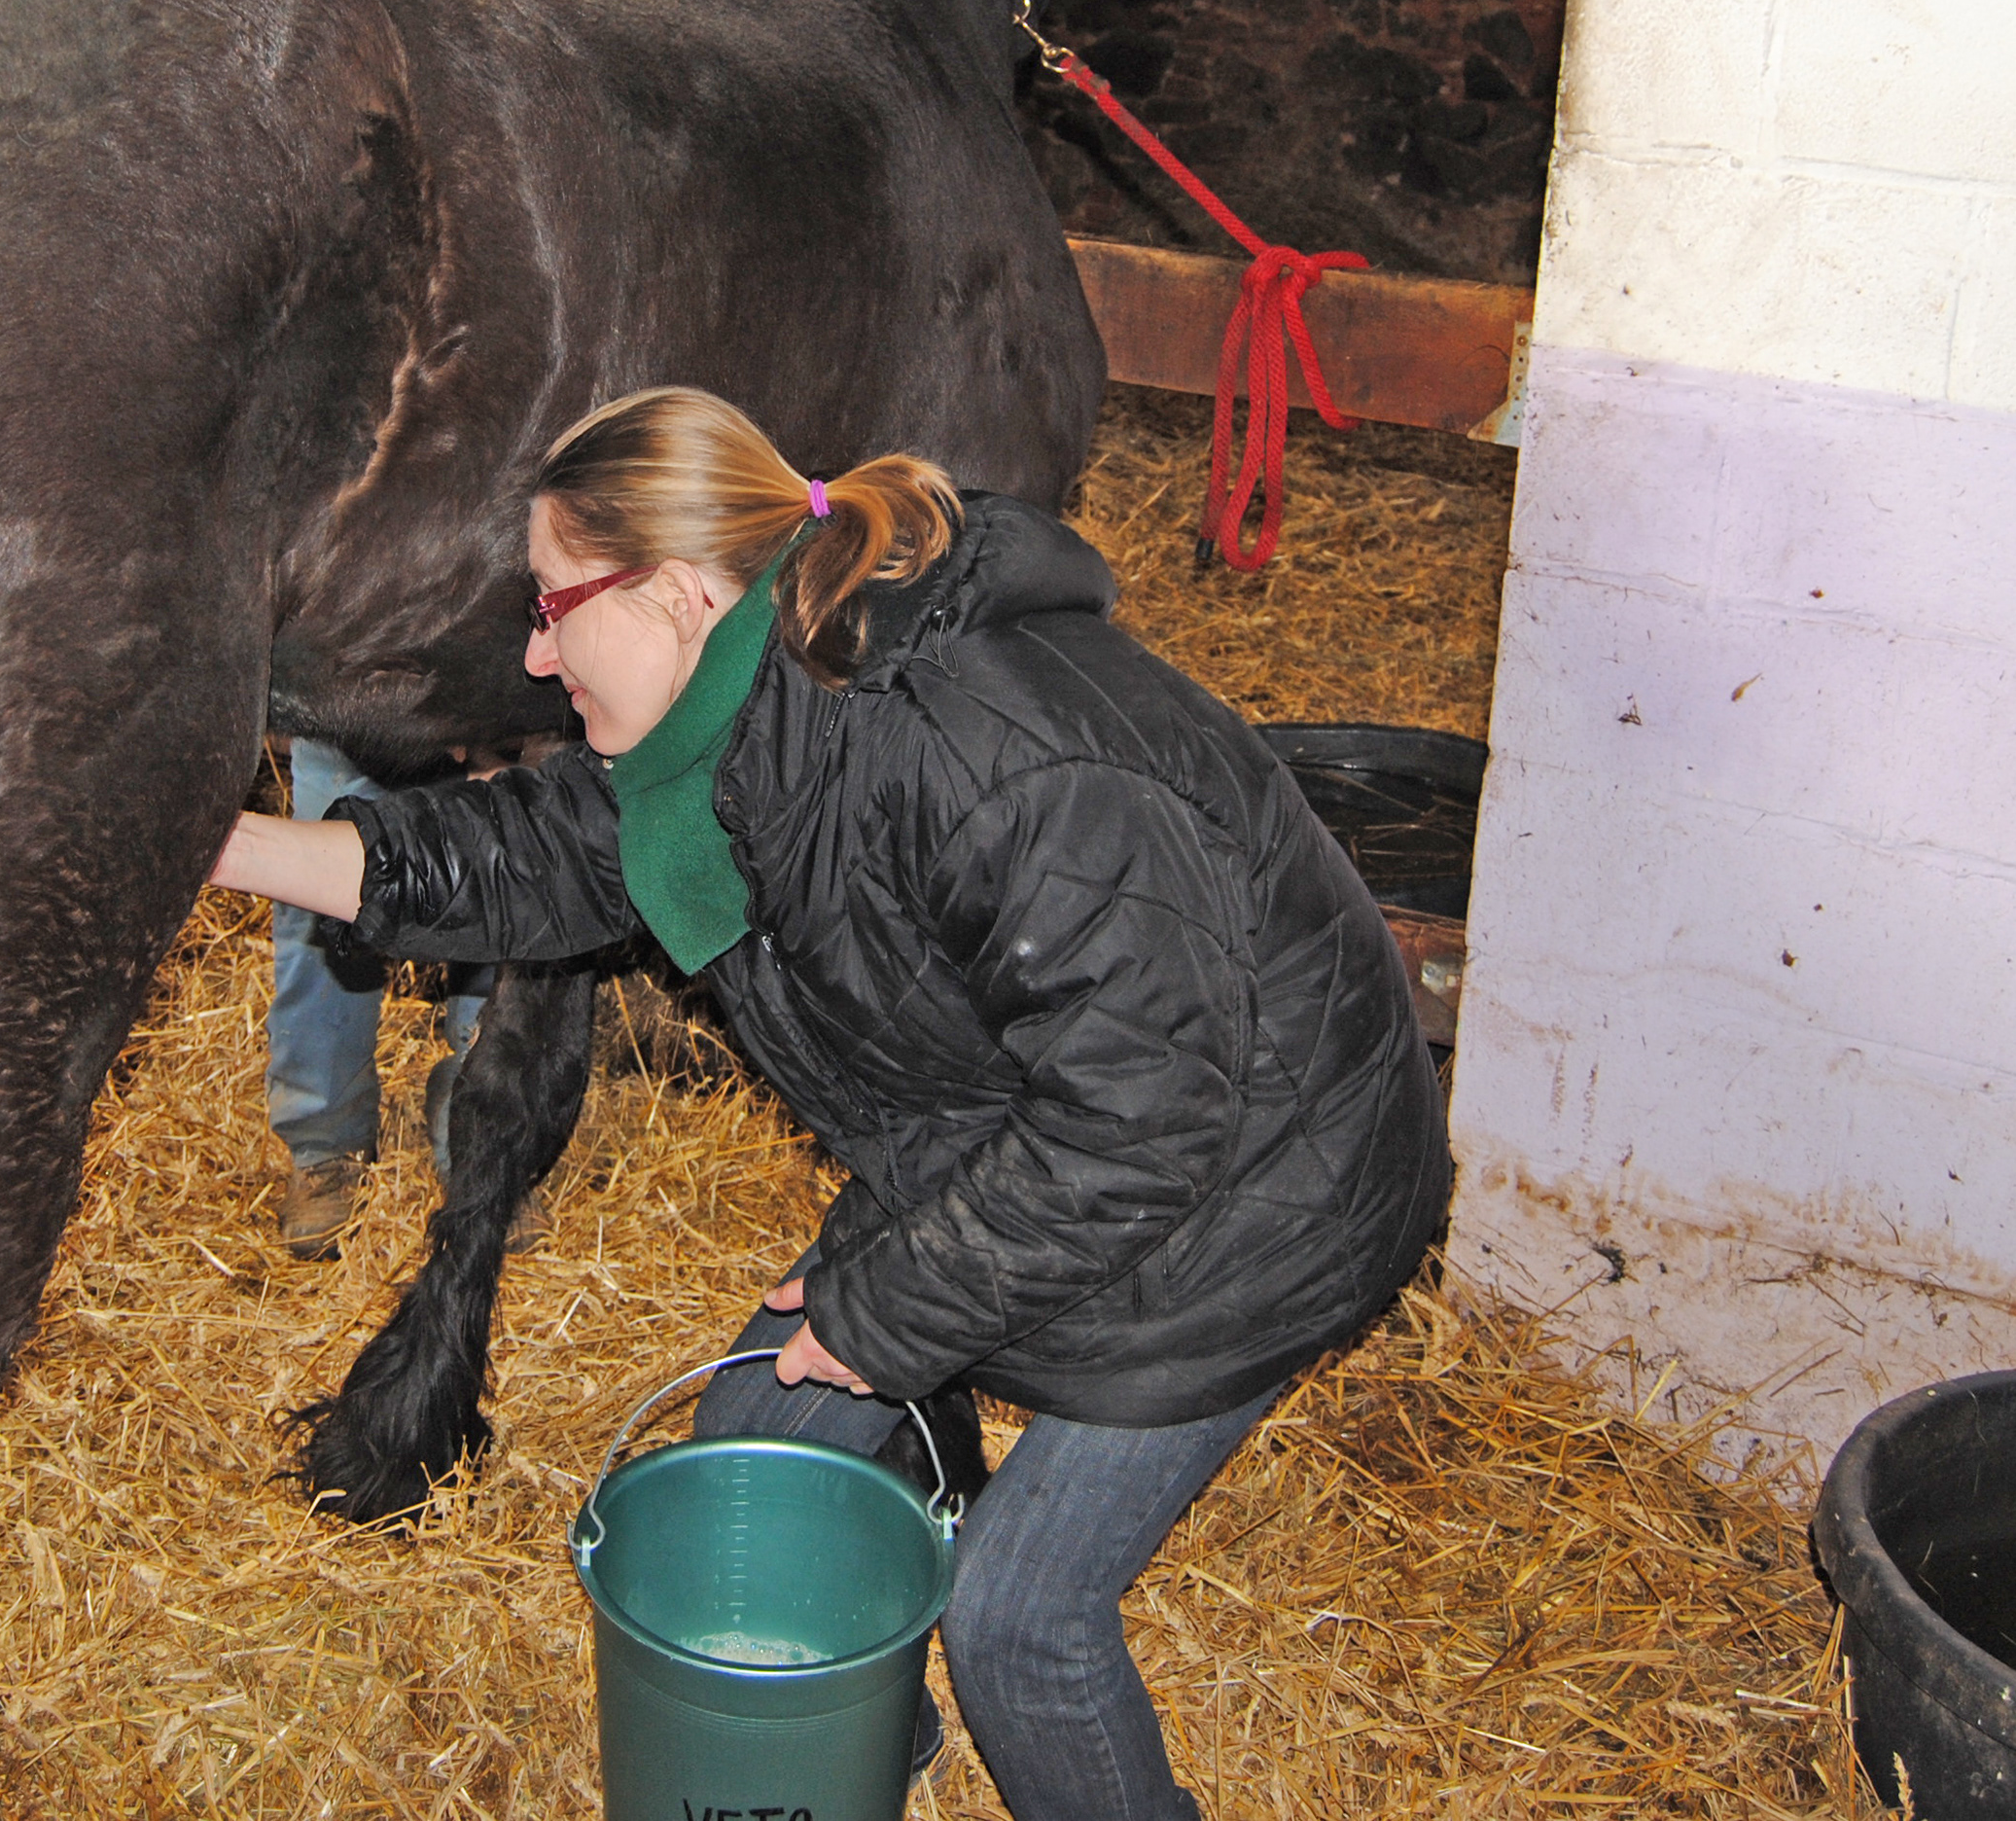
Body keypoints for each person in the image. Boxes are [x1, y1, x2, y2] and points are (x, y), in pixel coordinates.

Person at [214, 386, 1449, 1821]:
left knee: (1018, 1621)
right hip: (1013, 1131)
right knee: (757, 1447)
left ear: (677, 591)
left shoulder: (989, 755)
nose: (537, 654)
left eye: (554, 605)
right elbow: (529, 858)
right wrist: (219, 842)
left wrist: (891, 1307)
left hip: (1265, 1189)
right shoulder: (733, 722)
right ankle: (858, 1750)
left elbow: (1141, 1116)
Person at [264, 738, 497, 1259]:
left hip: (493, 702)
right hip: (353, 697)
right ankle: (325, 1142)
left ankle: (479, 1130)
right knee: (319, 890)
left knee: (503, 875)